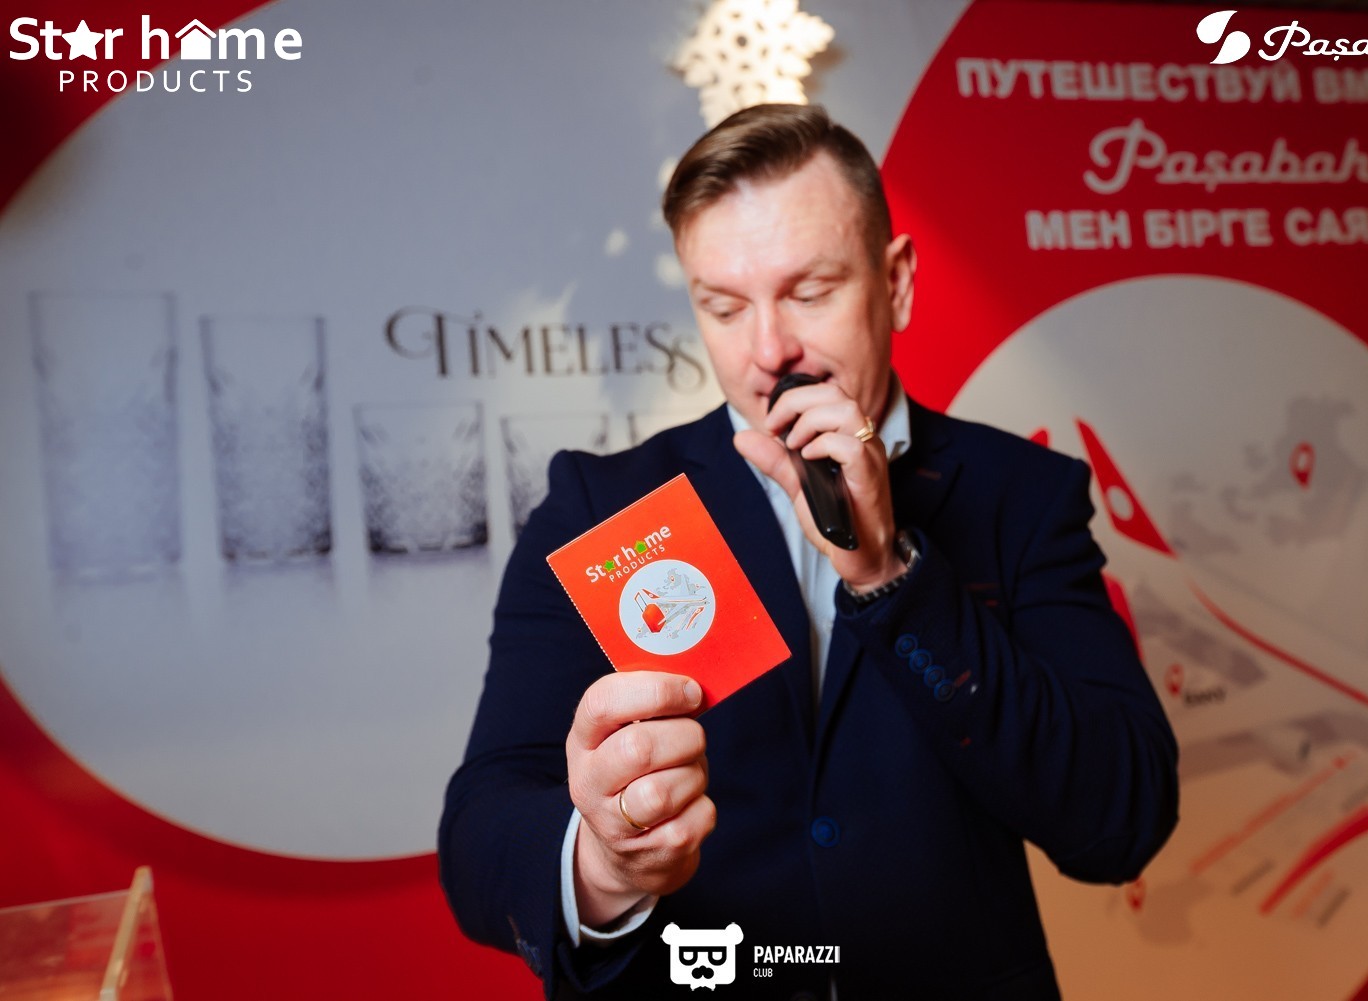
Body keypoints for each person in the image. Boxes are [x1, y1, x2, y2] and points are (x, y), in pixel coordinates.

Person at [439, 103, 1178, 999]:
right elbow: (480, 832)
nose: (769, 351)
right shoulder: (603, 506)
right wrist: (603, 864)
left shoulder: (1019, 494)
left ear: (896, 282)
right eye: (723, 306)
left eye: (811, 292)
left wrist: (891, 573)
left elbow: (1121, 817)